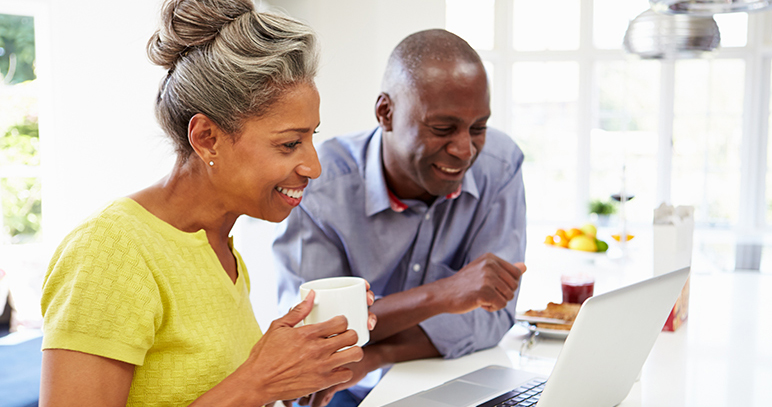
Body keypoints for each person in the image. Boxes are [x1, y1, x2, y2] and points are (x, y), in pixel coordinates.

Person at [39, 1, 376, 406]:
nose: (314, 166)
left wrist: (297, 388)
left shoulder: (221, 252)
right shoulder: (110, 254)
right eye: (289, 144)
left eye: (311, 138)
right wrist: (258, 382)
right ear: (207, 138)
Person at [273, 29, 527, 407]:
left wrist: (376, 354)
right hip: (344, 389)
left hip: (452, 381)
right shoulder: (322, 186)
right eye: (442, 128)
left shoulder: (500, 166)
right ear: (385, 113)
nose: (464, 149)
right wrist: (444, 295)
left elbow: (490, 316)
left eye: (478, 129)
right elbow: (313, 336)